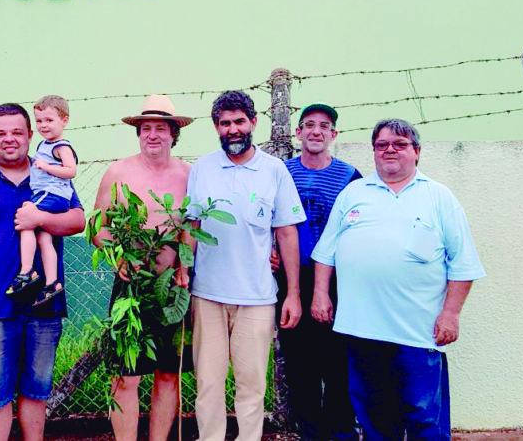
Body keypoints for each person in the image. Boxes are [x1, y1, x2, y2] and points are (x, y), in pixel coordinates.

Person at [311, 118, 486, 441]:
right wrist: (320, 294)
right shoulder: (354, 193)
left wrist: (451, 314)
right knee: (373, 415)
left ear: (416, 152)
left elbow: (463, 265)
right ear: (374, 152)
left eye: (400, 144)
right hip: (361, 330)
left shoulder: (439, 197)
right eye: (382, 145)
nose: (389, 150)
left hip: (416, 334)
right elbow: (326, 252)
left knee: (423, 417)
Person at [0, 103, 85, 441]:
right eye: (0, 133)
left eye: (17, 132)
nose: (9, 139)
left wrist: (42, 220)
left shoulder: (49, 173)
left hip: (44, 304)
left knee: (36, 391)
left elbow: (78, 221)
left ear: (30, 135)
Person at [186, 90, 306, 441]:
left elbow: (286, 232)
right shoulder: (202, 168)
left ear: (254, 122)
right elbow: (192, 227)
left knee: (251, 384)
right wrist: (182, 270)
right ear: (216, 127)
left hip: (257, 297)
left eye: (240, 121)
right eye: (225, 123)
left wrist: (293, 294)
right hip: (207, 294)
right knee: (208, 382)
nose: (233, 129)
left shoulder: (273, 170)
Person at [92, 94, 193, 441]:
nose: (153, 134)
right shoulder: (118, 172)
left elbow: (190, 227)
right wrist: (120, 257)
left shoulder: (187, 174)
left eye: (161, 128)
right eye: (146, 128)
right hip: (131, 288)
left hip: (172, 288)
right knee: (126, 374)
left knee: (168, 373)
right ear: (138, 132)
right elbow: (98, 227)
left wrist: (184, 265)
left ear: (173, 134)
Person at [276, 103, 362, 441]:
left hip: (337, 280)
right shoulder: (282, 173)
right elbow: (270, 219)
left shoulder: (349, 177)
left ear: (333, 135)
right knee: (300, 363)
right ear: (297, 133)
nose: (315, 131)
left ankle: (340, 430)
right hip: (293, 278)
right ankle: (309, 431)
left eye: (324, 126)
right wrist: (271, 251)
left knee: (338, 361)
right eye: (308, 125)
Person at [8, 95, 78, 307]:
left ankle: (27, 270)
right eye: (39, 121)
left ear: (64, 120)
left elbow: (71, 170)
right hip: (47, 193)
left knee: (27, 219)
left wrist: (46, 167)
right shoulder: (46, 144)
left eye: (49, 120)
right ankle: (52, 281)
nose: (43, 125)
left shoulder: (61, 146)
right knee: (44, 237)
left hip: (52, 194)